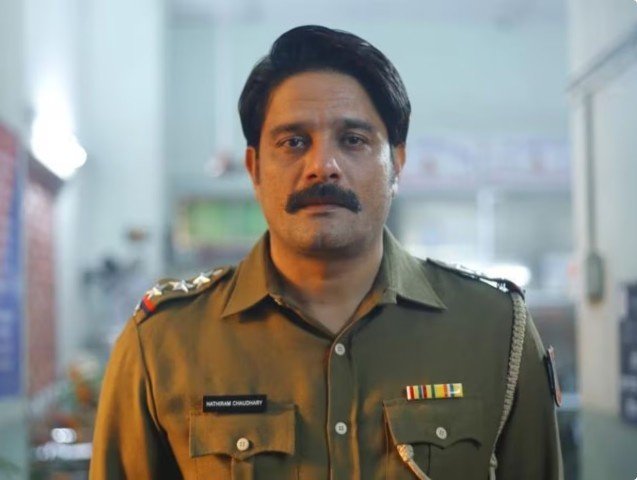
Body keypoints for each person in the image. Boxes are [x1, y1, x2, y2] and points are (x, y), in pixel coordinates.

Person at [89, 25, 563, 480]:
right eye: (293, 142)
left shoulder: (495, 328)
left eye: (353, 140)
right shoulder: (163, 342)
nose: (322, 166)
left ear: (397, 163)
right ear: (255, 168)